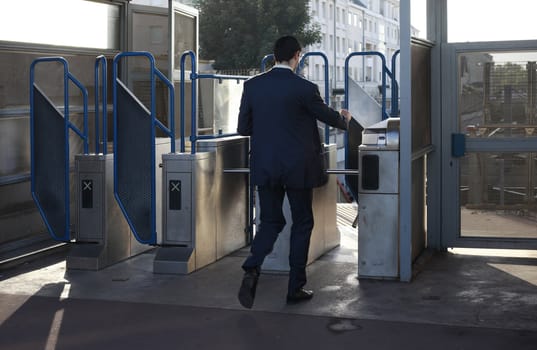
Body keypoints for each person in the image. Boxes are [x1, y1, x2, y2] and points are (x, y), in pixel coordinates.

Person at [236, 35, 352, 309]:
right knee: (302, 223)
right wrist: (344, 119)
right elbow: (328, 116)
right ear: (297, 56)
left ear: (274, 56)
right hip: (298, 168)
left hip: (266, 165)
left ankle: (253, 267)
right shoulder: (304, 88)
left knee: (271, 222)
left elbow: (243, 128)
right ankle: (295, 287)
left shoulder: (253, 86)